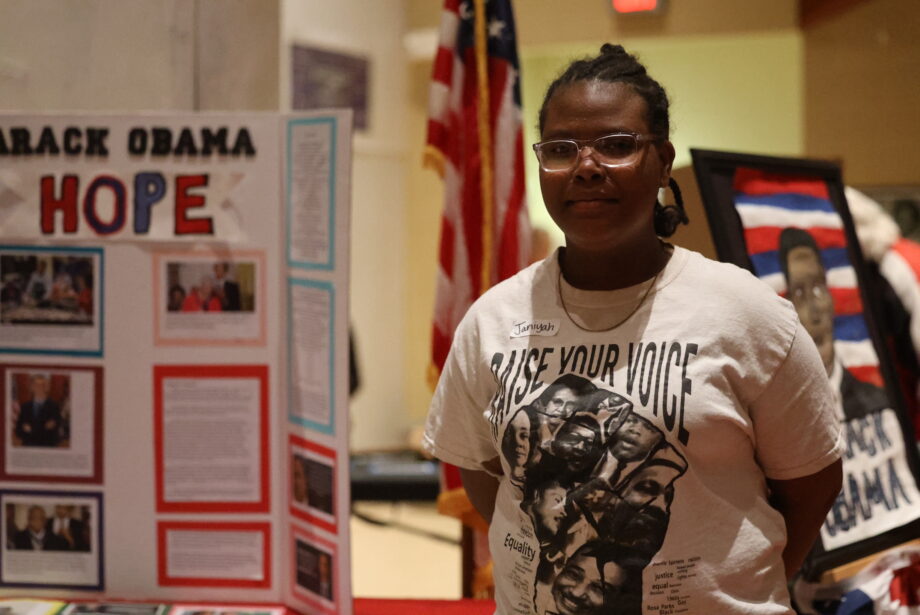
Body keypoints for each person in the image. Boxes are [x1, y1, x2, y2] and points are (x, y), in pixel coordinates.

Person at [423, 44, 843, 614]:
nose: (587, 165)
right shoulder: (493, 319)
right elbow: (484, 470)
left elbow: (810, 484)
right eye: (561, 149)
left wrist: (738, 590)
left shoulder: (744, 312)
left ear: (663, 159)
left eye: (617, 145)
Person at [778, 227, 889, 421]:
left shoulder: (876, 400)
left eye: (818, 287)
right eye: (799, 293)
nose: (815, 311)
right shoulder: (790, 421)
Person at [14, 374, 63, 447]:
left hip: (47, 447)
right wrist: (24, 429)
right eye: (36, 385)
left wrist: (31, 430)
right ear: (31, 387)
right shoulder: (25, 407)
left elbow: (58, 431)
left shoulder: (54, 407)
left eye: (42, 385)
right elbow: (18, 430)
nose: (39, 388)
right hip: (28, 447)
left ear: (47, 388)